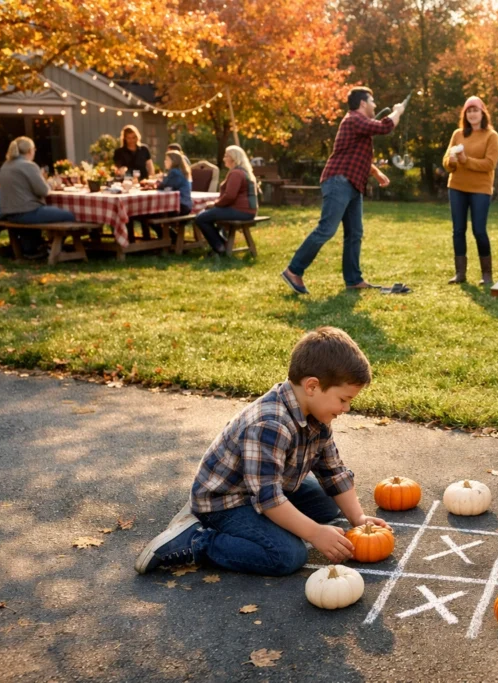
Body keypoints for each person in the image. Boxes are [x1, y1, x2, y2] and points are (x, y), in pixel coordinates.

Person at [135, 326, 389, 576]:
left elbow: (332, 471)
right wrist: (314, 533)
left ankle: (277, 522)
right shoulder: (271, 424)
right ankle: (197, 540)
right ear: (312, 386)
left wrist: (358, 517)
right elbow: (268, 499)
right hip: (227, 501)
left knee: (326, 505)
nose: (346, 408)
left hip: (269, 484)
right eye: (343, 400)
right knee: (287, 555)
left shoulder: (318, 415)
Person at [281, 87, 404, 295]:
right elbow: (385, 127)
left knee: (355, 233)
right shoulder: (354, 119)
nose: (375, 105)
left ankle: (353, 279)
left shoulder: (358, 124)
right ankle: (294, 270)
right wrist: (398, 111)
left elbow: (355, 153)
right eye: (372, 101)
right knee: (327, 229)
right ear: (363, 103)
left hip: (353, 184)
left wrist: (375, 173)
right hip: (340, 181)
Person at [442, 95, 498, 285]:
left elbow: (489, 164)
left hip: (480, 189)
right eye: (469, 111)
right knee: (458, 230)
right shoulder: (458, 134)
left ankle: (487, 274)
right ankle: (460, 273)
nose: (472, 114)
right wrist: (450, 162)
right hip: (457, 186)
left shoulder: (491, 136)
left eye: (475, 110)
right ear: (465, 115)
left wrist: (466, 161)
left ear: (482, 113)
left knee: (479, 230)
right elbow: (446, 161)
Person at [0, 137, 76, 259]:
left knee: (44, 213)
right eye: (34, 149)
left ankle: (32, 249)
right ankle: (53, 248)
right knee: (69, 215)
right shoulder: (28, 166)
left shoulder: (5, 166)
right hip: (26, 212)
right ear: (30, 151)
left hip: (9, 213)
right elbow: (43, 191)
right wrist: (50, 183)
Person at [194, 145, 258, 255]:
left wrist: (215, 204)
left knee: (201, 218)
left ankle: (219, 247)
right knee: (208, 216)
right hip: (246, 211)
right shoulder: (242, 171)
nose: (224, 159)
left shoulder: (236, 173)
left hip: (240, 211)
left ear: (233, 158)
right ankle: (222, 244)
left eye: (226, 156)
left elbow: (230, 196)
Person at [157, 150, 193, 216]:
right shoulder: (182, 171)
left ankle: (158, 226)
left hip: (180, 206)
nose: (165, 162)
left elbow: (164, 186)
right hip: (185, 205)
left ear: (173, 161)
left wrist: (158, 182)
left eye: (167, 160)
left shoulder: (174, 172)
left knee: (150, 214)